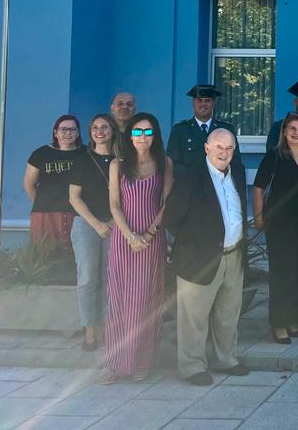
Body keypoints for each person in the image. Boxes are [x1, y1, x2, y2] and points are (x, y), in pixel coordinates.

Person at [164, 128, 249, 386]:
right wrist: (196, 243)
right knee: (194, 316)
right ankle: (192, 366)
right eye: (219, 147)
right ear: (207, 148)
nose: (224, 152)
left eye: (229, 148)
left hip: (233, 255)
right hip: (199, 258)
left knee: (228, 313)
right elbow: (172, 218)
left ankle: (227, 358)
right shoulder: (191, 178)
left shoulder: (237, 173)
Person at [102, 113, 172, 384]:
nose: (143, 137)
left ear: (155, 136)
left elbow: (166, 203)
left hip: (152, 240)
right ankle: (115, 364)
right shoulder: (117, 165)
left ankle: (142, 361)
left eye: (148, 132)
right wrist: (131, 235)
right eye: (138, 132)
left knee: (144, 300)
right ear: (129, 136)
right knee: (118, 299)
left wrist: (148, 233)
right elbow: (114, 205)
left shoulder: (165, 163)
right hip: (124, 240)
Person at [253, 114, 298, 344]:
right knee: (282, 273)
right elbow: (259, 186)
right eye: (292, 128)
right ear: (284, 131)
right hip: (279, 224)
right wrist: (259, 216)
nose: (296, 133)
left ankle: (291, 320)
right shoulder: (275, 156)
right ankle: (278, 324)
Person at [69, 114, 119, 352]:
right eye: (95, 127)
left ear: (112, 130)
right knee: (88, 279)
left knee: (111, 279)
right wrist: (97, 224)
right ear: (90, 132)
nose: (100, 131)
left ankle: (109, 327)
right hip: (87, 224)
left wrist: (113, 222)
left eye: (104, 127)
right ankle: (90, 330)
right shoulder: (82, 159)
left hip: (116, 223)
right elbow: (74, 197)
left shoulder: (122, 159)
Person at [24, 114, 86, 248]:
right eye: (63, 129)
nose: (68, 133)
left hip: (77, 214)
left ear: (78, 133)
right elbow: (29, 185)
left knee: (74, 257)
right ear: (55, 132)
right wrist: (44, 202)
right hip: (45, 213)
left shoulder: (86, 154)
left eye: (72, 129)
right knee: (45, 257)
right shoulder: (40, 154)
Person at [167, 84, 241, 177]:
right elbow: (173, 163)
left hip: (219, 185)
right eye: (199, 100)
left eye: (207, 101)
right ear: (193, 103)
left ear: (214, 103)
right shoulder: (180, 130)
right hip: (190, 186)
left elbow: (236, 163)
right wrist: (194, 177)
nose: (203, 104)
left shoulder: (226, 129)